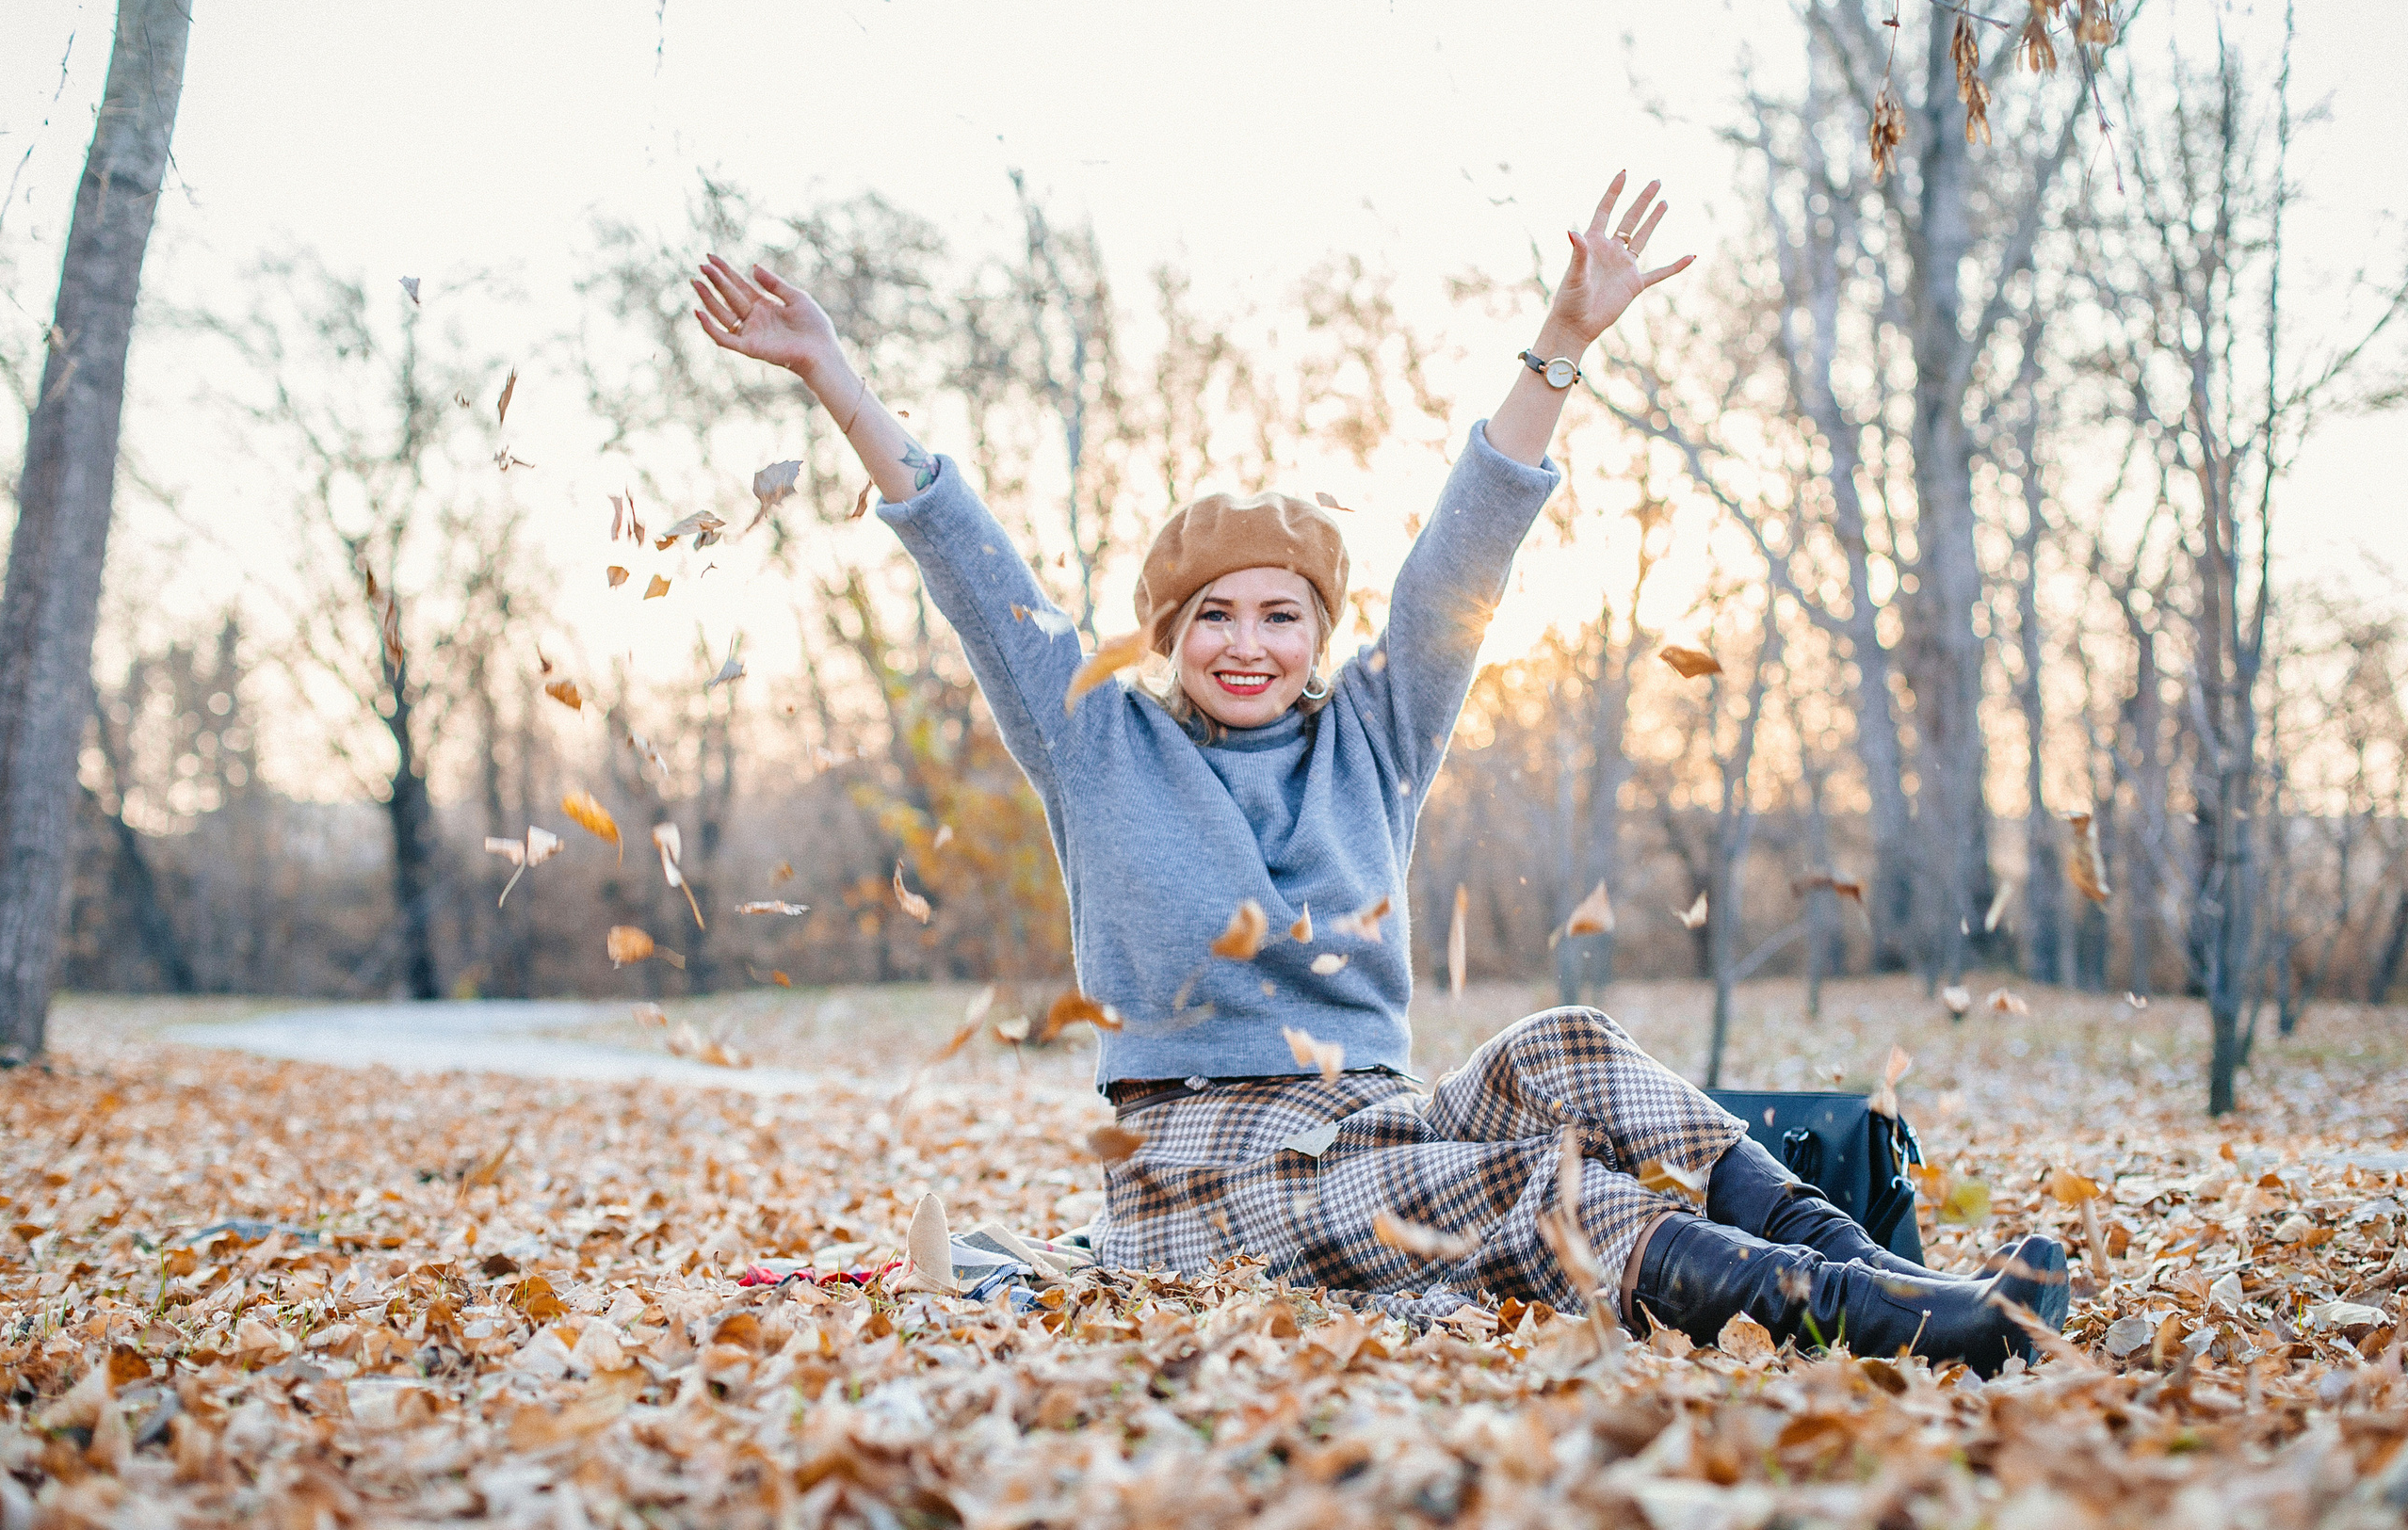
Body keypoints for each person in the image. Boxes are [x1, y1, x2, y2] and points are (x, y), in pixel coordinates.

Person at [689, 174, 2067, 1372]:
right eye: (1213, 616)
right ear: (1166, 635)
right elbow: (968, 559)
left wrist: (1565, 336)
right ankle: (1876, 1322)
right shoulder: (1098, 732)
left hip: (1369, 1116)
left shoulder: (1376, 731)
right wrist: (831, 376)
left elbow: (1462, 556)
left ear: (1317, 632)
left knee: (1563, 1047)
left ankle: (1891, 1278)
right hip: (1199, 1177)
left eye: (1279, 613)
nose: (1247, 643)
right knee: (1540, 1193)